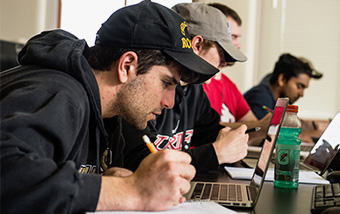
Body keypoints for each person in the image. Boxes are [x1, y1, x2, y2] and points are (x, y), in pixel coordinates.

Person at [0, 1, 221, 213]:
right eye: (166, 83)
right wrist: (132, 191)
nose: (170, 102)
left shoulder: (110, 115)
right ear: (127, 66)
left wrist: (105, 181)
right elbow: (7, 174)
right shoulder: (61, 94)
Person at [123, 2, 271, 173]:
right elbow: (137, 161)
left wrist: (257, 129)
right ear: (197, 45)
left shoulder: (194, 90)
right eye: (222, 54)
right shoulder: (143, 87)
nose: (225, 63)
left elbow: (211, 132)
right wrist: (215, 154)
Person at [202, 3, 259, 123]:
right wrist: (260, 126)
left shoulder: (229, 85)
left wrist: (262, 126)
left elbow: (251, 123)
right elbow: (205, 132)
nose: (238, 45)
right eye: (233, 37)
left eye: (238, 37)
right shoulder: (197, 84)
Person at [244, 53, 323, 120]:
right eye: (299, 86)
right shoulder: (261, 99)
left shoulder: (274, 101)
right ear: (282, 79)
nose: (301, 94)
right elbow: (260, 135)